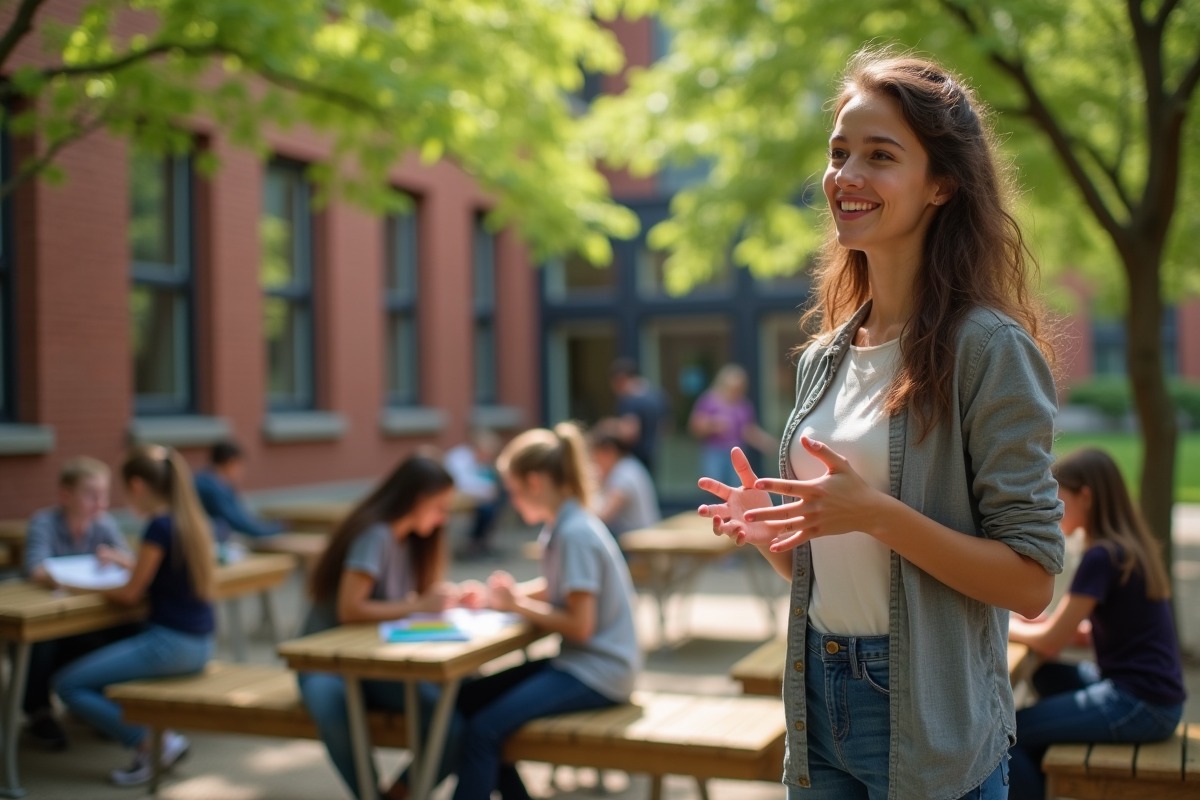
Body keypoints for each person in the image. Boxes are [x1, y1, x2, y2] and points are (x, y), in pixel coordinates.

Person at [698, 49, 1065, 799]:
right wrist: (779, 537)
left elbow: (1030, 582)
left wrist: (877, 515)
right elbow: (843, 570)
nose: (846, 175)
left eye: (879, 155)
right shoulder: (822, 360)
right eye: (839, 154)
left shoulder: (988, 350)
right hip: (817, 697)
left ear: (941, 184)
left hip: (931, 718)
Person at [453, 423, 640, 799]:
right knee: (467, 700)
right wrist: (500, 598)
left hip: (598, 672)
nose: (511, 499)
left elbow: (580, 624)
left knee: (483, 731)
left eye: (512, 490)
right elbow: (562, 590)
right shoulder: (562, 525)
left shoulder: (574, 534)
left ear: (534, 482)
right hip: (580, 664)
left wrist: (516, 604)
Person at [297, 455, 485, 800]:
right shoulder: (376, 534)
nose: (445, 517)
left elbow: (399, 607)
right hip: (327, 664)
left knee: (450, 723)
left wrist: (448, 602)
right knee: (332, 706)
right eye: (440, 506)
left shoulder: (412, 541)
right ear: (416, 498)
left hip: (374, 664)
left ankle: (396, 795)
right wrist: (419, 605)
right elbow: (351, 609)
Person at [1006, 448, 1185, 799]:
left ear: (1085, 495)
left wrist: (1003, 625)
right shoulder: (1128, 546)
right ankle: (1044, 763)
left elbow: (1050, 641)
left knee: (1010, 734)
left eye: (1059, 496)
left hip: (1139, 703)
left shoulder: (1101, 556)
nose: (1053, 507)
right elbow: (1108, 632)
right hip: (1156, 696)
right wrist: (1049, 628)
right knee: (1045, 673)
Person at [53, 445, 216, 786]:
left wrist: (75, 585)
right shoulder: (188, 519)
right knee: (100, 669)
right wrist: (125, 561)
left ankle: (152, 743)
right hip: (199, 643)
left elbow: (130, 594)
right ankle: (153, 742)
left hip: (170, 644)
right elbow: (163, 574)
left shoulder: (158, 525)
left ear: (138, 486)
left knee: (69, 684)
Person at [22, 456, 139, 750]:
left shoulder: (104, 524)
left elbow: (131, 563)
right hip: (54, 617)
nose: (100, 503)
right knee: (41, 636)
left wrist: (116, 558)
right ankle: (39, 711)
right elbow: (35, 569)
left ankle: (94, 704)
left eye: (104, 495)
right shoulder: (43, 522)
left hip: (90, 618)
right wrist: (66, 576)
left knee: (127, 628)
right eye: (91, 495)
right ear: (66, 495)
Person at [688, 364, 777, 488]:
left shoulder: (744, 405)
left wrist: (767, 443)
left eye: (739, 387)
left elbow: (749, 431)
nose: (736, 390)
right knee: (713, 488)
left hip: (736, 454)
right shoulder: (709, 400)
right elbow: (695, 426)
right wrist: (713, 424)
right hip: (714, 452)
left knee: (736, 489)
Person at [193, 440, 285, 541]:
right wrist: (277, 528)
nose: (241, 472)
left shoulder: (208, 480)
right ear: (232, 463)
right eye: (240, 466)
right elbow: (240, 522)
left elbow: (243, 517)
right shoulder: (213, 487)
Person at [444, 429, 503, 560]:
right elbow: (460, 484)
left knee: (491, 507)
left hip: (473, 499)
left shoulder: (483, 464)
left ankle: (481, 543)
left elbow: (491, 485)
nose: (488, 458)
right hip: (453, 499)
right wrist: (486, 491)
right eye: (486, 454)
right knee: (486, 509)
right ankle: (474, 545)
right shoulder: (459, 458)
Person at [590, 429, 660, 538]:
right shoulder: (628, 465)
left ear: (609, 452)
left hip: (640, 545)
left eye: (597, 456)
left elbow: (602, 517)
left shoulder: (623, 473)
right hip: (639, 539)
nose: (596, 462)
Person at [608, 357, 669, 474]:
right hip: (652, 455)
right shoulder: (657, 396)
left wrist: (609, 428)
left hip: (635, 459)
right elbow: (666, 427)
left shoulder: (629, 399)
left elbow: (630, 432)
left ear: (621, 379)